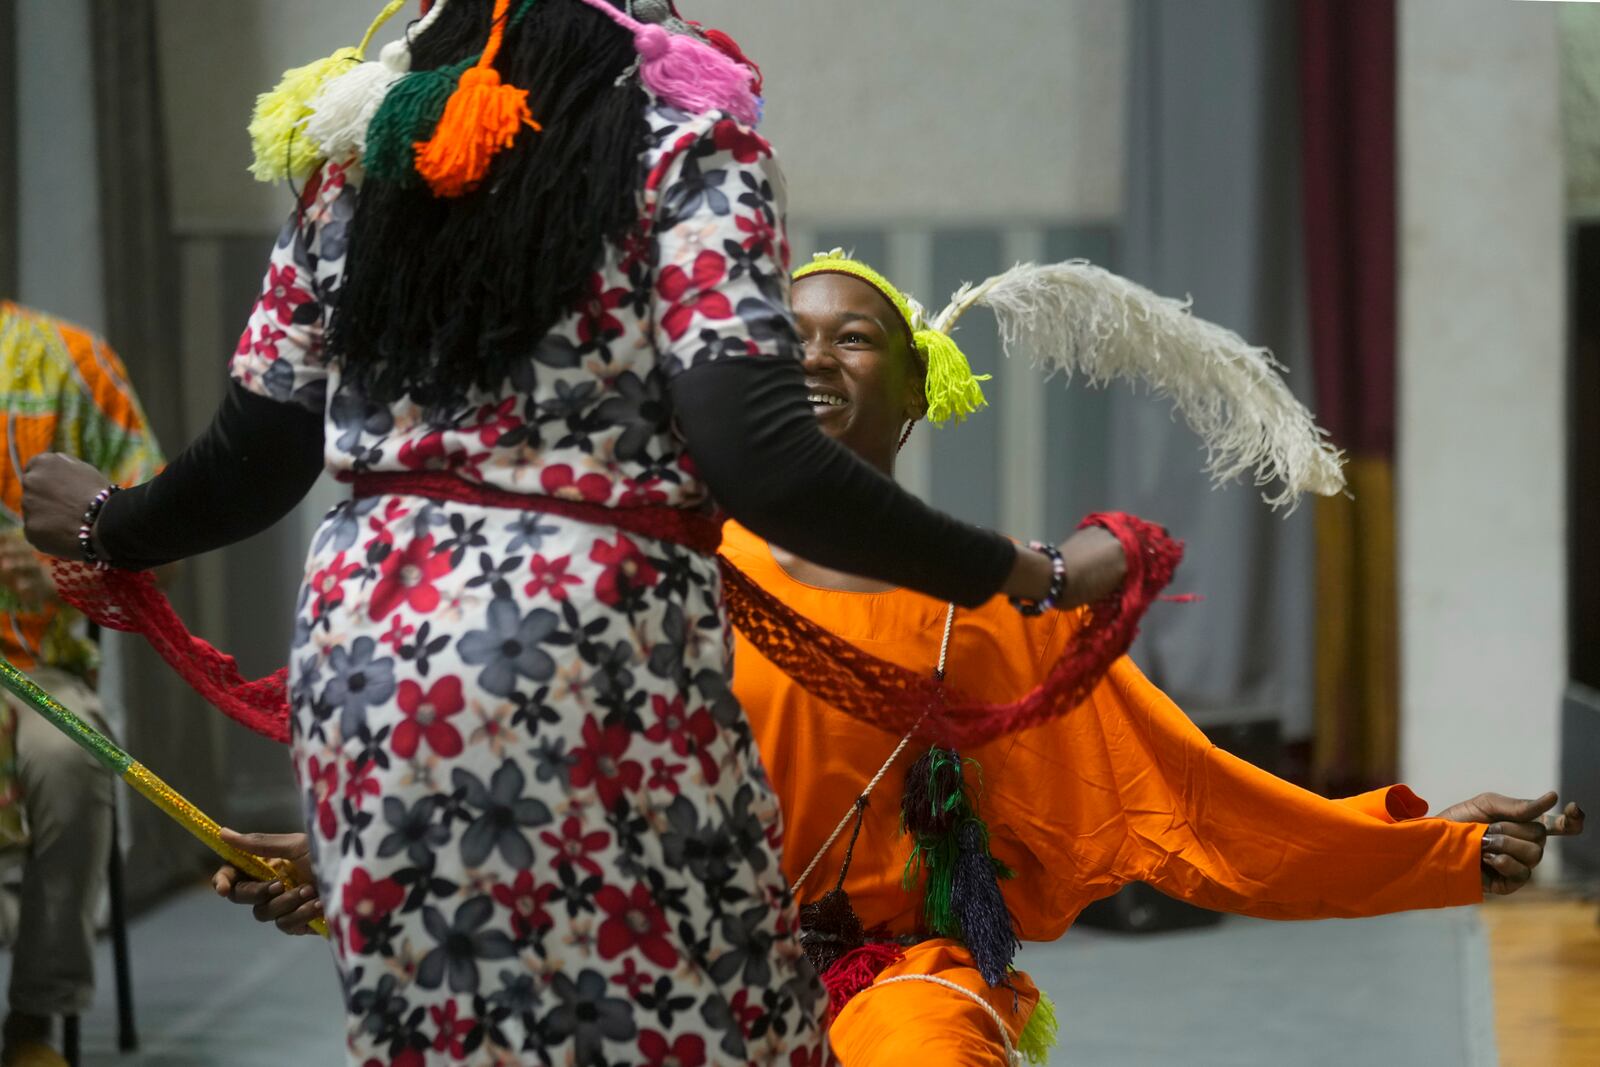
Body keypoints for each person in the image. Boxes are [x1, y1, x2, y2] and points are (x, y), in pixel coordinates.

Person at [17, 4, 1130, 1064]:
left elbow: (254, 459)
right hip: (595, 646)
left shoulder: (354, 156)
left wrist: (110, 520)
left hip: (371, 664)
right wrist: (1027, 572)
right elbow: (767, 458)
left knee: (446, 1020)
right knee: (703, 1007)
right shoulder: (690, 148)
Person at [214, 253, 1585, 1065]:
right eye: (784, 336)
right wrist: (343, 867)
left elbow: (1197, 805)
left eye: (853, 335)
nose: (813, 352)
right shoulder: (664, 574)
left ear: (918, 392)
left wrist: (1429, 849)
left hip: (893, 973)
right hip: (676, 969)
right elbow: (535, 805)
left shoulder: (986, 613)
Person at [0, 301, 164, 1067]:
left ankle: (34, 1019)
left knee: (69, 758)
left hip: (34, 666)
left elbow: (157, 523)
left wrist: (61, 567)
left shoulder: (65, 359)